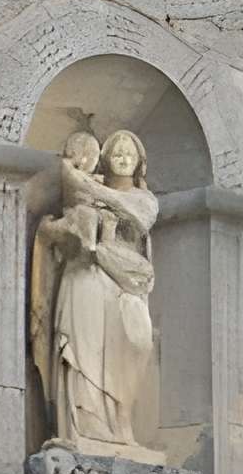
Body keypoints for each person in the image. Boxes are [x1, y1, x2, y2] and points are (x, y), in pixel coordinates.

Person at [29, 127, 158, 451]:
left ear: (140, 162)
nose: (124, 159)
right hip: (85, 278)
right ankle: (85, 429)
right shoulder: (83, 198)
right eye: (117, 153)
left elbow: (140, 217)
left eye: (130, 154)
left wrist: (85, 185)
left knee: (137, 345)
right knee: (84, 349)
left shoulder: (143, 199)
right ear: (105, 158)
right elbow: (63, 230)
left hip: (126, 286)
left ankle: (122, 424)